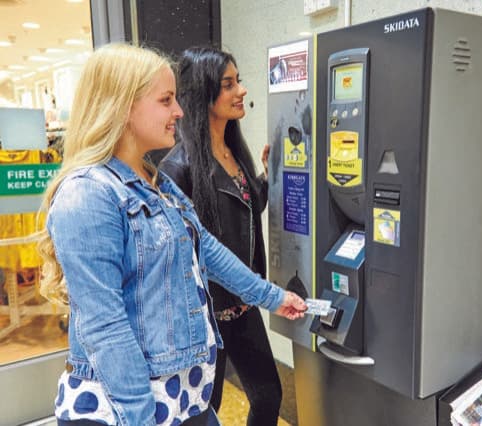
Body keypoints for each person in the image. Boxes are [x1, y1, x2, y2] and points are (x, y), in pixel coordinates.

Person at [36, 43, 306, 426]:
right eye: (166, 100)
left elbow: (207, 248)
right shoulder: (87, 194)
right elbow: (105, 327)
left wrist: (273, 297)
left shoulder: (155, 181)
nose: (179, 111)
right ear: (122, 107)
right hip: (127, 409)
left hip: (182, 395)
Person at [158, 47, 280, 426]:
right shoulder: (177, 168)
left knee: (269, 395)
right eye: (229, 84)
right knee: (204, 409)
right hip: (204, 313)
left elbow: (241, 211)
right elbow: (188, 249)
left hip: (242, 304)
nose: (241, 90)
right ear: (203, 94)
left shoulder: (233, 151)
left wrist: (265, 176)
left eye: (238, 81)